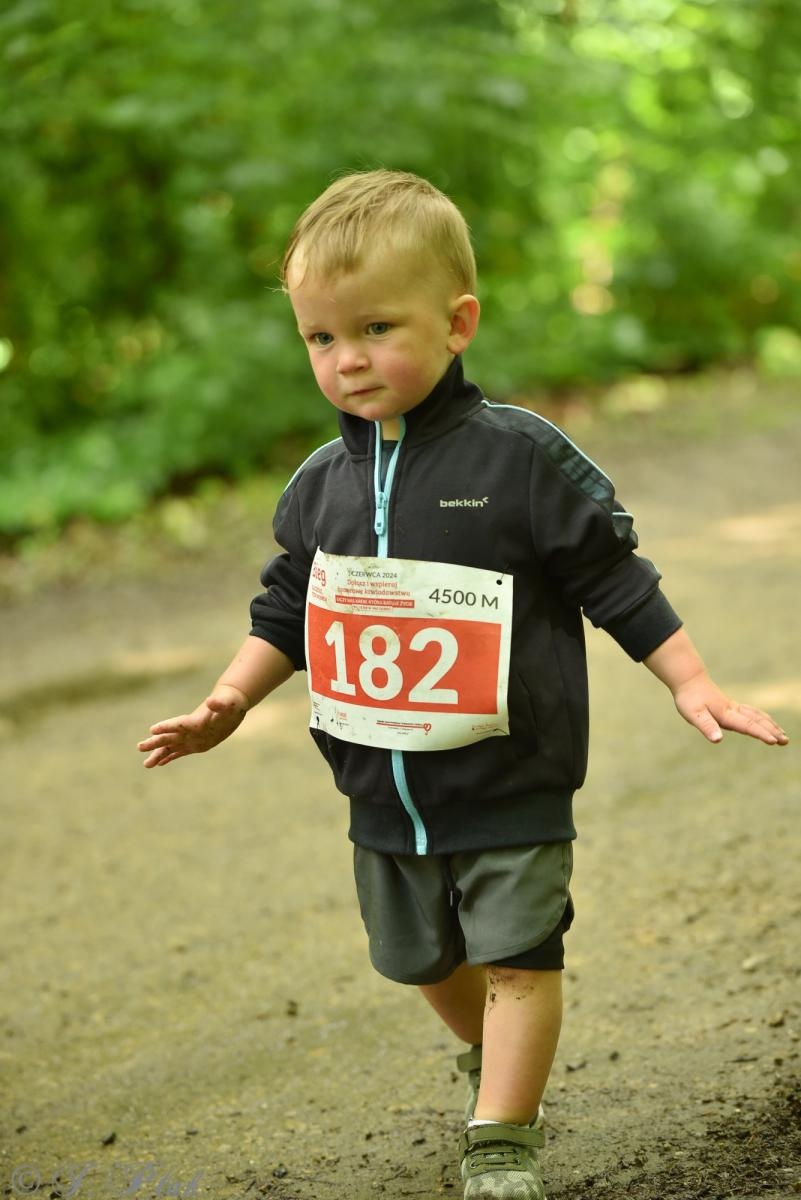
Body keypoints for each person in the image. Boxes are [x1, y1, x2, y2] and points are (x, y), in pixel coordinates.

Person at [137, 169, 788, 1200]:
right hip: (382, 791)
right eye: (321, 339)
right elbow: (286, 608)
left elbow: (613, 577)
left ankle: (502, 1139)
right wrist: (230, 699)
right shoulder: (319, 486)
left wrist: (691, 680)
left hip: (512, 777)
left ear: (458, 323)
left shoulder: (520, 460)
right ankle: (492, 1054)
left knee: (522, 955)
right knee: (418, 960)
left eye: (377, 328)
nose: (348, 360)